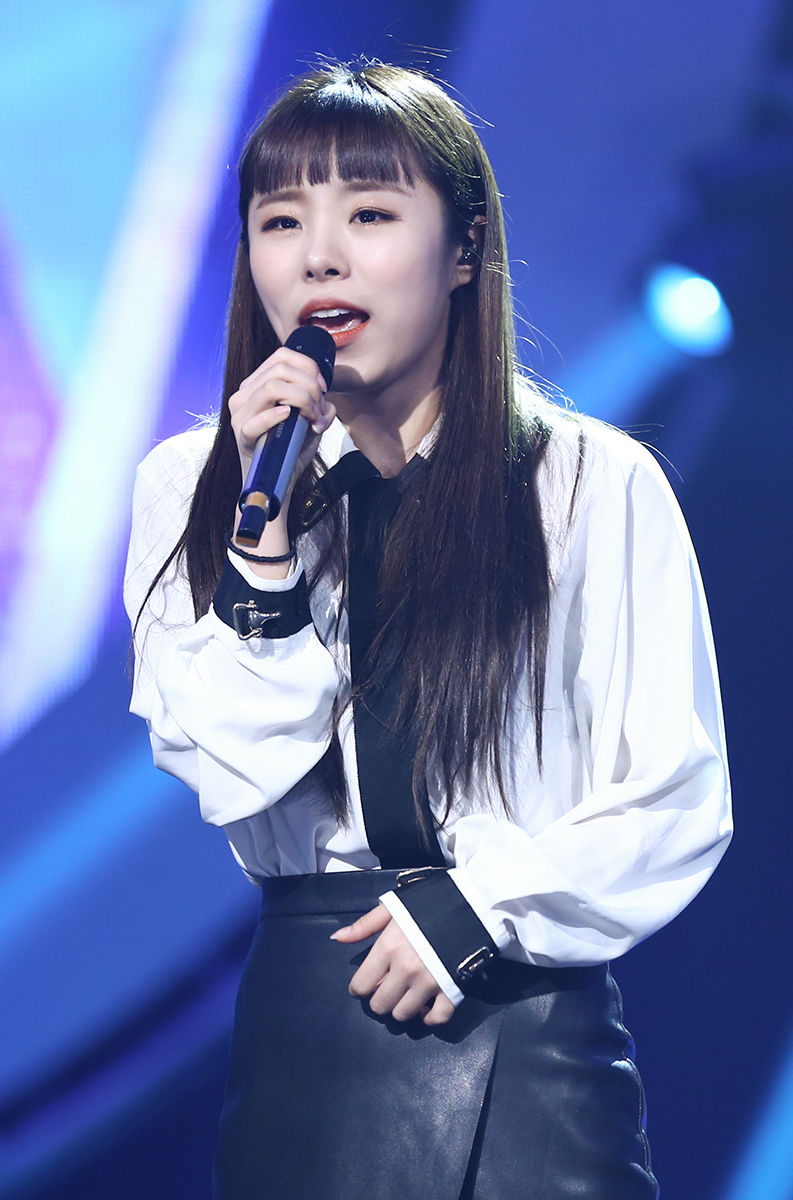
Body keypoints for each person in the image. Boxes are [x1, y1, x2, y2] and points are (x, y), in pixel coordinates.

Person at [124, 62, 731, 1200]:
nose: (319, 257)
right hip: (316, 1013)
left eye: (368, 214)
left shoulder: (591, 483)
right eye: (281, 221)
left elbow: (674, 791)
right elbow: (238, 765)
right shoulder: (189, 488)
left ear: (462, 251)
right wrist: (262, 543)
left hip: (522, 1008)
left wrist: (473, 911)